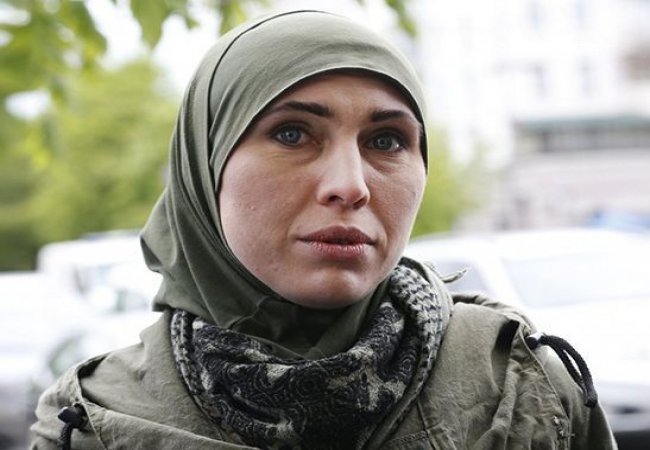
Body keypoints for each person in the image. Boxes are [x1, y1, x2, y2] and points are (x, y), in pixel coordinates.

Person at [30, 10, 617, 449]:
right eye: (292, 134)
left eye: (386, 140)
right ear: (206, 167)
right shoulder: (96, 420)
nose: (350, 185)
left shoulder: (519, 385)